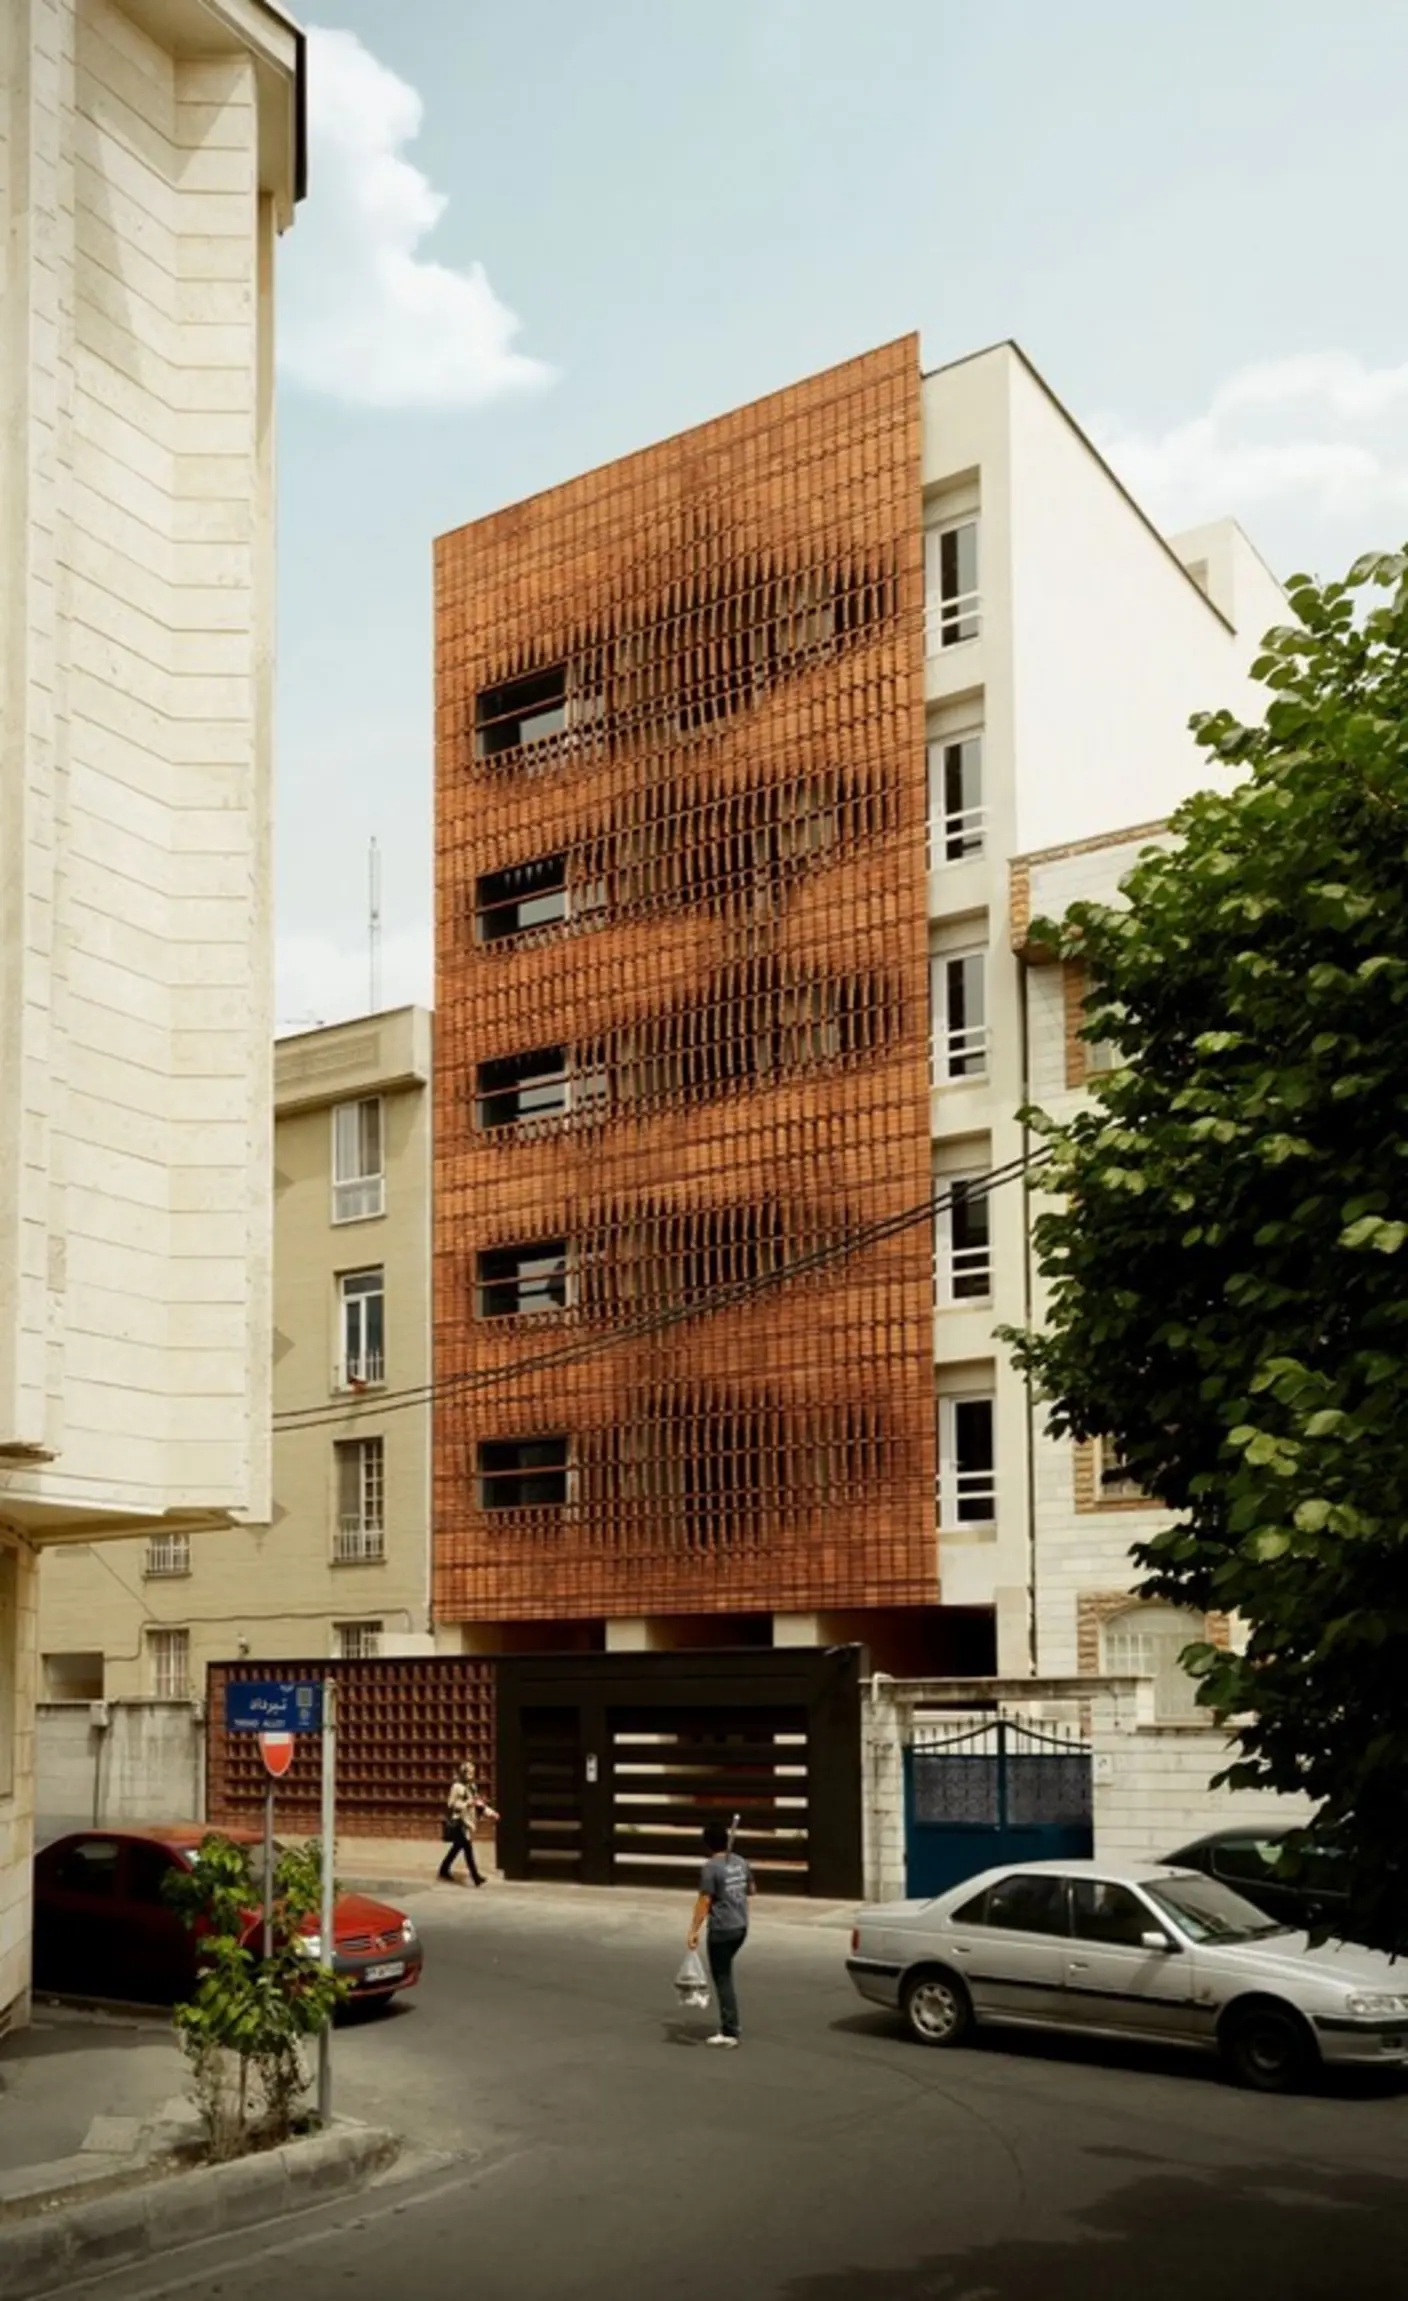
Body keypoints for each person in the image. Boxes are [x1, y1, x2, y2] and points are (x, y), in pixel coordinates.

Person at [686, 1818, 755, 2047]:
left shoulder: (710, 1868)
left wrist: (693, 1930)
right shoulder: (741, 1862)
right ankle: (731, 2023)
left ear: (706, 1845)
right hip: (741, 1927)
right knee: (724, 1973)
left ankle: (730, 2030)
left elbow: (704, 1901)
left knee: (722, 1978)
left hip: (722, 1929)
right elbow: (752, 1890)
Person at [438, 1760, 489, 1886]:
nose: (471, 1776)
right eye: (469, 1773)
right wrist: (466, 1804)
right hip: (460, 1821)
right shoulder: (457, 1787)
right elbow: (450, 1803)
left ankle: (443, 1869)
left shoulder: (472, 1786)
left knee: (457, 1847)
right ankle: (475, 1876)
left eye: (473, 1773)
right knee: (467, 1848)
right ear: (463, 1773)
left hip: (468, 1821)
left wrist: (489, 1812)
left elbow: (477, 1802)